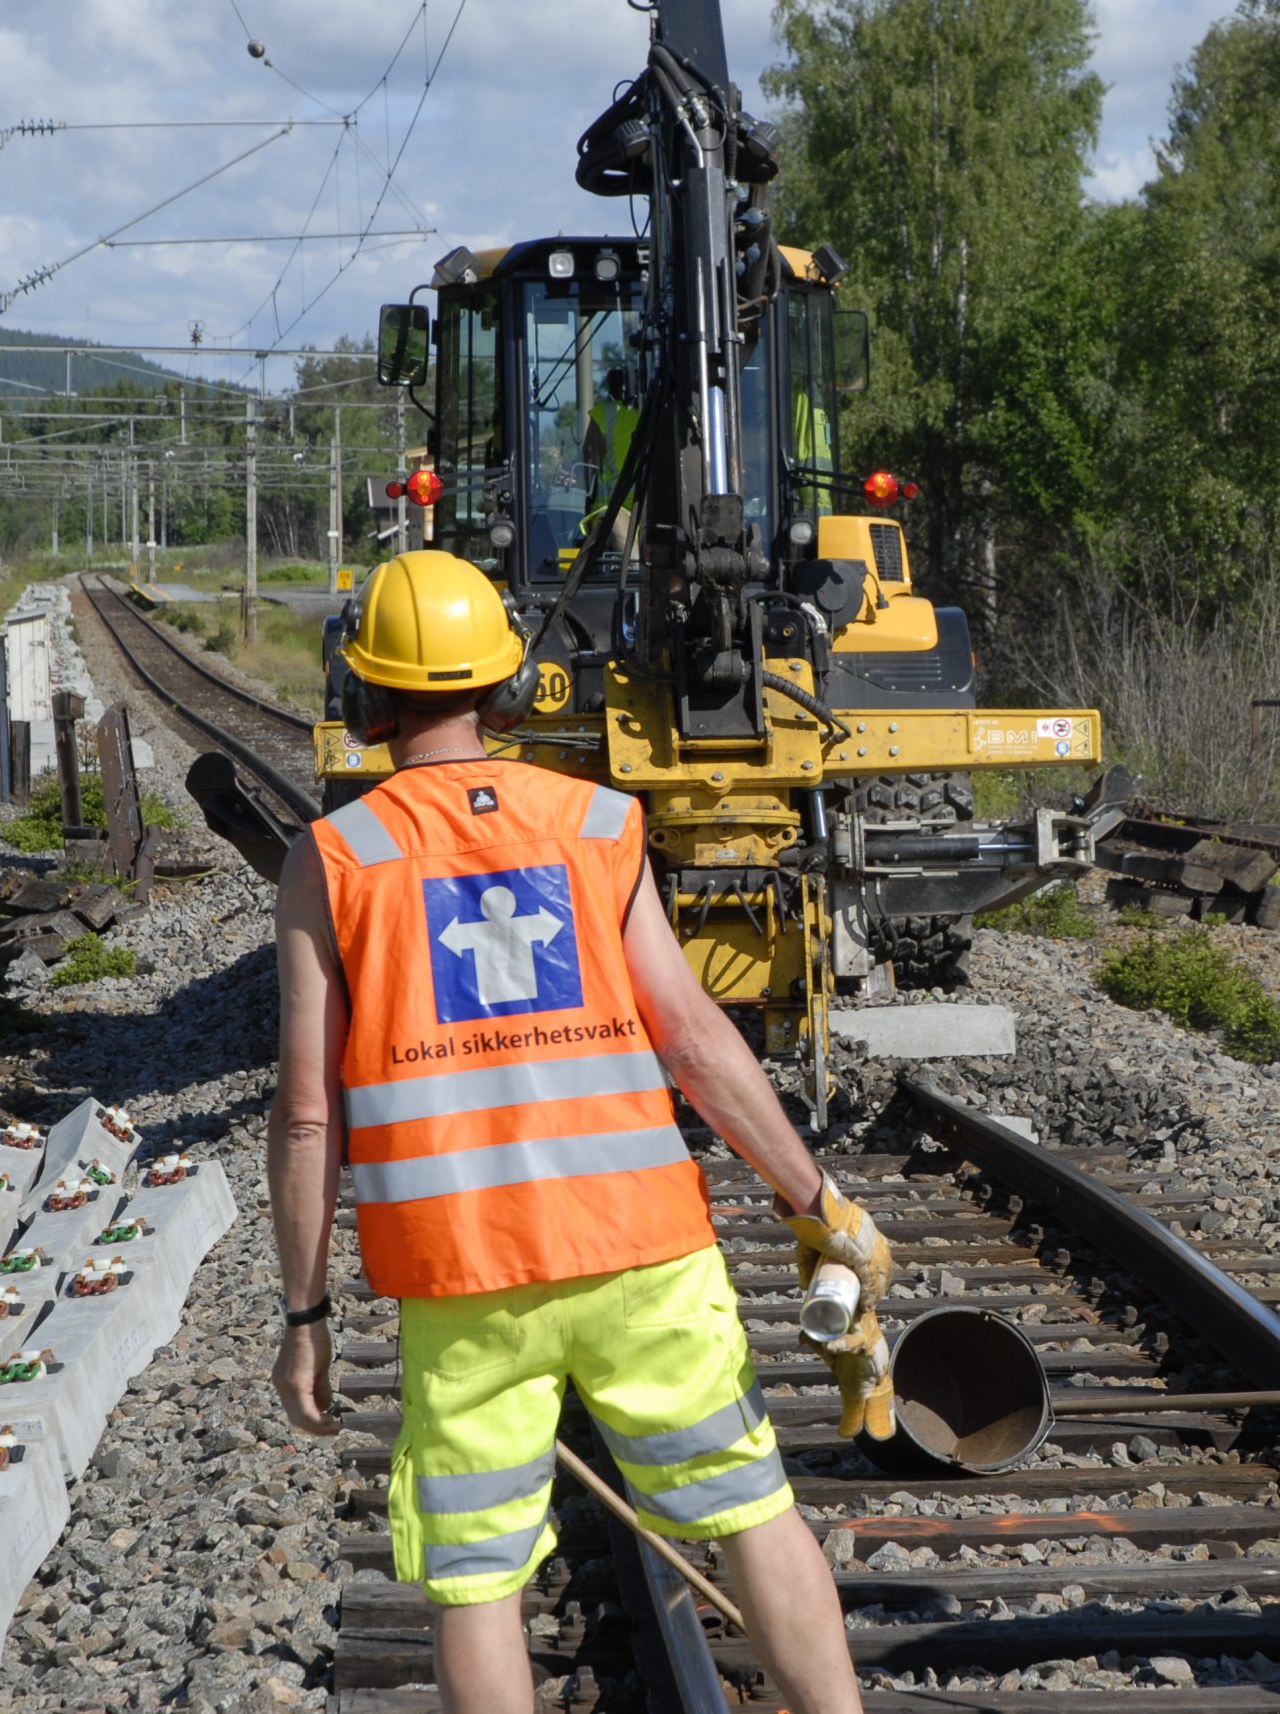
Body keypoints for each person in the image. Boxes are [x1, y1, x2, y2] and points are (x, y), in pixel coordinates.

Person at [265, 550, 889, 1713]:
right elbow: (694, 1040)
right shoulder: (599, 823)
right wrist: (817, 1201)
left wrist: (305, 1319)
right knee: (751, 1510)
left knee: (477, 1577)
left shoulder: (334, 857)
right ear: (506, 688)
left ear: (364, 695)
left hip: (462, 1278)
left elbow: (308, 1115)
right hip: (643, 1249)